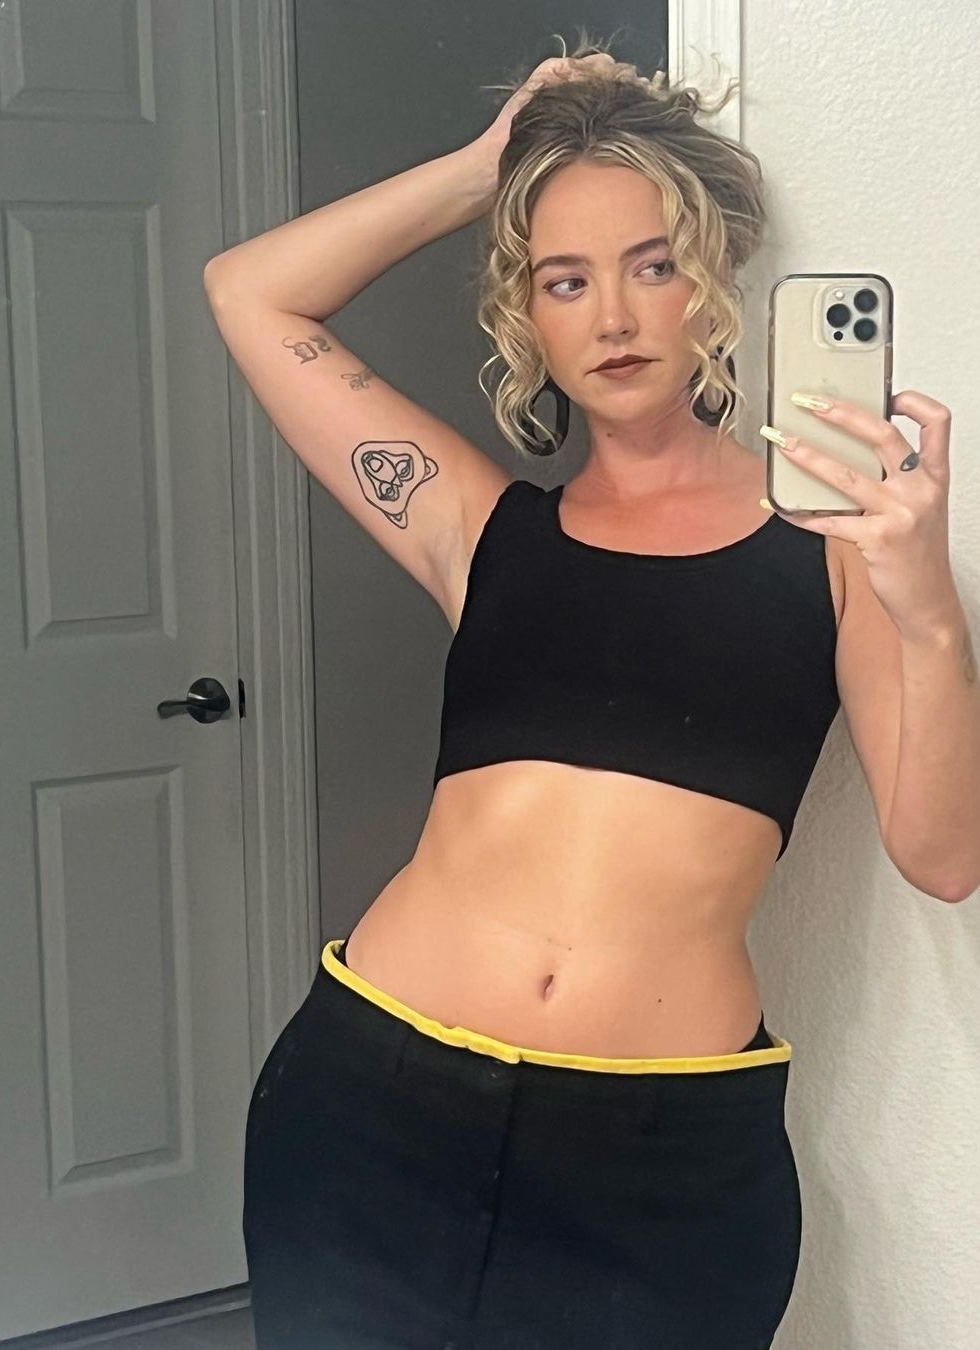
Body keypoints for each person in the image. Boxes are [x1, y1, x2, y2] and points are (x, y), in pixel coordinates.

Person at [205, 35, 834, 1350]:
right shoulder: (481, 531)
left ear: (714, 273)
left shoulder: (835, 547)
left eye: (654, 263)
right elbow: (250, 291)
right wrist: (487, 167)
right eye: (564, 278)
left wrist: (922, 592)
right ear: (527, 314)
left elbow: (950, 852)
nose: (612, 317)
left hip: (660, 1168)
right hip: (370, 1109)